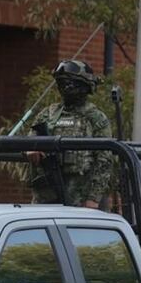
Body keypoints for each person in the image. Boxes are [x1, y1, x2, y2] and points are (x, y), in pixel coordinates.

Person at [25, 59, 114, 208]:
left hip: (78, 198)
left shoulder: (95, 117)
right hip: (45, 197)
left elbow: (104, 161)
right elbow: (28, 141)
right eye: (62, 83)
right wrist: (30, 149)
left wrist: (93, 198)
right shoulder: (48, 114)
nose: (65, 87)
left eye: (70, 83)